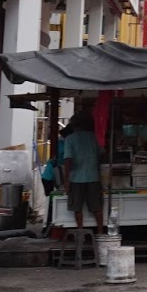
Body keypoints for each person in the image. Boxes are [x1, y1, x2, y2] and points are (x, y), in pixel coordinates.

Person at [61, 99, 104, 232]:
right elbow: (100, 155)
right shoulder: (94, 137)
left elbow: (68, 160)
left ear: (74, 125)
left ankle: (80, 231)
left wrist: (66, 180)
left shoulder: (70, 139)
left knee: (77, 208)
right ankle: (100, 232)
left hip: (76, 179)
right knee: (97, 208)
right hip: (93, 177)